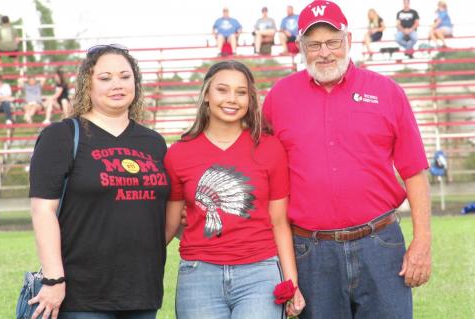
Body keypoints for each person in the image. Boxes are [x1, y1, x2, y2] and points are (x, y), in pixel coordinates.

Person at [263, 1, 431, 318]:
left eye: (332, 41)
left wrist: (422, 242)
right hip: (311, 252)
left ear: (348, 41)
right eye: (314, 44)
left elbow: (414, 172)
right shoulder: (278, 98)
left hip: (380, 244)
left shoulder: (387, 92)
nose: (324, 52)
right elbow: (261, 171)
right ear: (300, 47)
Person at [28, 44, 169, 319]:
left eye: (125, 76)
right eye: (105, 78)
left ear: (136, 83)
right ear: (87, 85)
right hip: (82, 293)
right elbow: (42, 211)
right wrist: (54, 279)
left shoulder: (154, 143)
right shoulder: (62, 136)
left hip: (141, 290)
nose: (117, 85)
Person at [164, 60, 305, 319]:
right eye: (222, 90)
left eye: (241, 92)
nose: (232, 99)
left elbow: (279, 222)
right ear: (206, 94)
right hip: (199, 274)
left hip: (259, 274)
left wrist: (291, 281)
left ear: (250, 99)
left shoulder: (270, 148)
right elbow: (170, 226)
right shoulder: (178, 153)